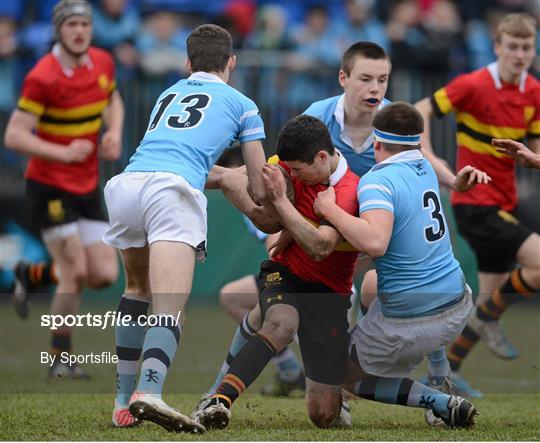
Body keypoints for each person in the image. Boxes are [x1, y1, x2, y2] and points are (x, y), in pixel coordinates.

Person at [102, 24, 267, 432]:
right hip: (169, 193)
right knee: (170, 305)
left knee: (137, 290)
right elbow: (260, 184)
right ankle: (150, 392)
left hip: (127, 186)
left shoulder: (170, 92)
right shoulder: (243, 104)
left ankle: (123, 403)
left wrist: (222, 176)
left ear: (188, 63)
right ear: (232, 62)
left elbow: (171, 153)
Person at [314, 102, 481, 429]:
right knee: (372, 284)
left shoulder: (377, 180)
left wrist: (329, 210)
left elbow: (375, 242)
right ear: (418, 143)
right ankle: (438, 375)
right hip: (459, 299)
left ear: (376, 143)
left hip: (415, 316)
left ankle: (440, 401)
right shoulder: (425, 167)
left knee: (344, 375)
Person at [195, 115, 360, 430]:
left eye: (297, 170)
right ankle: (218, 400)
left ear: (322, 158)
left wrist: (281, 203)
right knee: (281, 323)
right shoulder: (286, 166)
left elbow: (321, 247)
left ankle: (440, 401)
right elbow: (239, 177)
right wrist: (175, 171)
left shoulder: (349, 189)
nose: (291, 174)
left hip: (329, 294)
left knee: (323, 414)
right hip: (284, 272)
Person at [415, 12, 540, 397]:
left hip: (504, 202)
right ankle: (486, 319)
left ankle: (445, 374)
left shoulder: (534, 91)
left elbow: (536, 150)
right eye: (513, 47)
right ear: (497, 47)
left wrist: (532, 158)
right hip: (474, 201)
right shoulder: (473, 84)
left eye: (527, 47)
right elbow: (420, 110)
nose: (520, 54)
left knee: (492, 295)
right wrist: (433, 159)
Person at [4, 0, 123, 379]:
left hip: (86, 184)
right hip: (49, 186)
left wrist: (115, 132)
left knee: (103, 274)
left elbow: (113, 100)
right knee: (73, 268)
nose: (79, 31)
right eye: (71, 24)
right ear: (59, 30)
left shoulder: (103, 62)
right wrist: (63, 151)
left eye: (84, 24)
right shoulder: (43, 76)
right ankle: (59, 357)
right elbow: (15, 135)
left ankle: (32, 274)